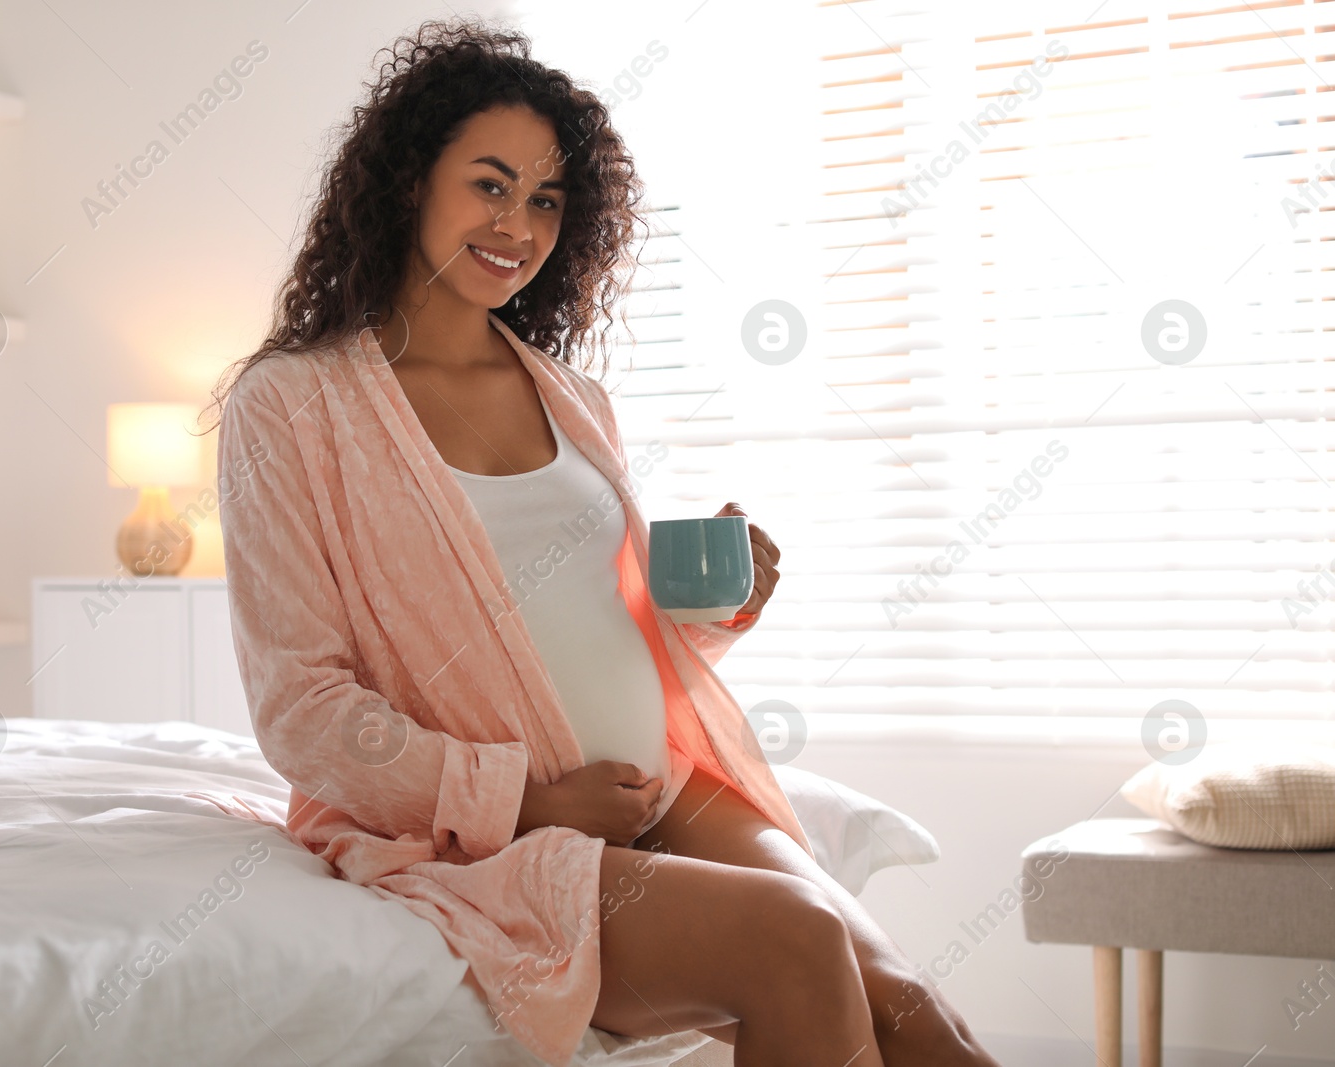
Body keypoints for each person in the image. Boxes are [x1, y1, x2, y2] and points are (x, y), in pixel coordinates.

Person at [204, 16, 1003, 1067]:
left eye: (544, 199)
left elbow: (596, 624)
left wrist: (711, 606)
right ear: (408, 182)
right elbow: (302, 709)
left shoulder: (571, 396)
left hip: (660, 785)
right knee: (799, 942)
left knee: (907, 999)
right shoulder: (294, 405)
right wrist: (527, 801)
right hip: (490, 835)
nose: (518, 224)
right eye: (489, 184)